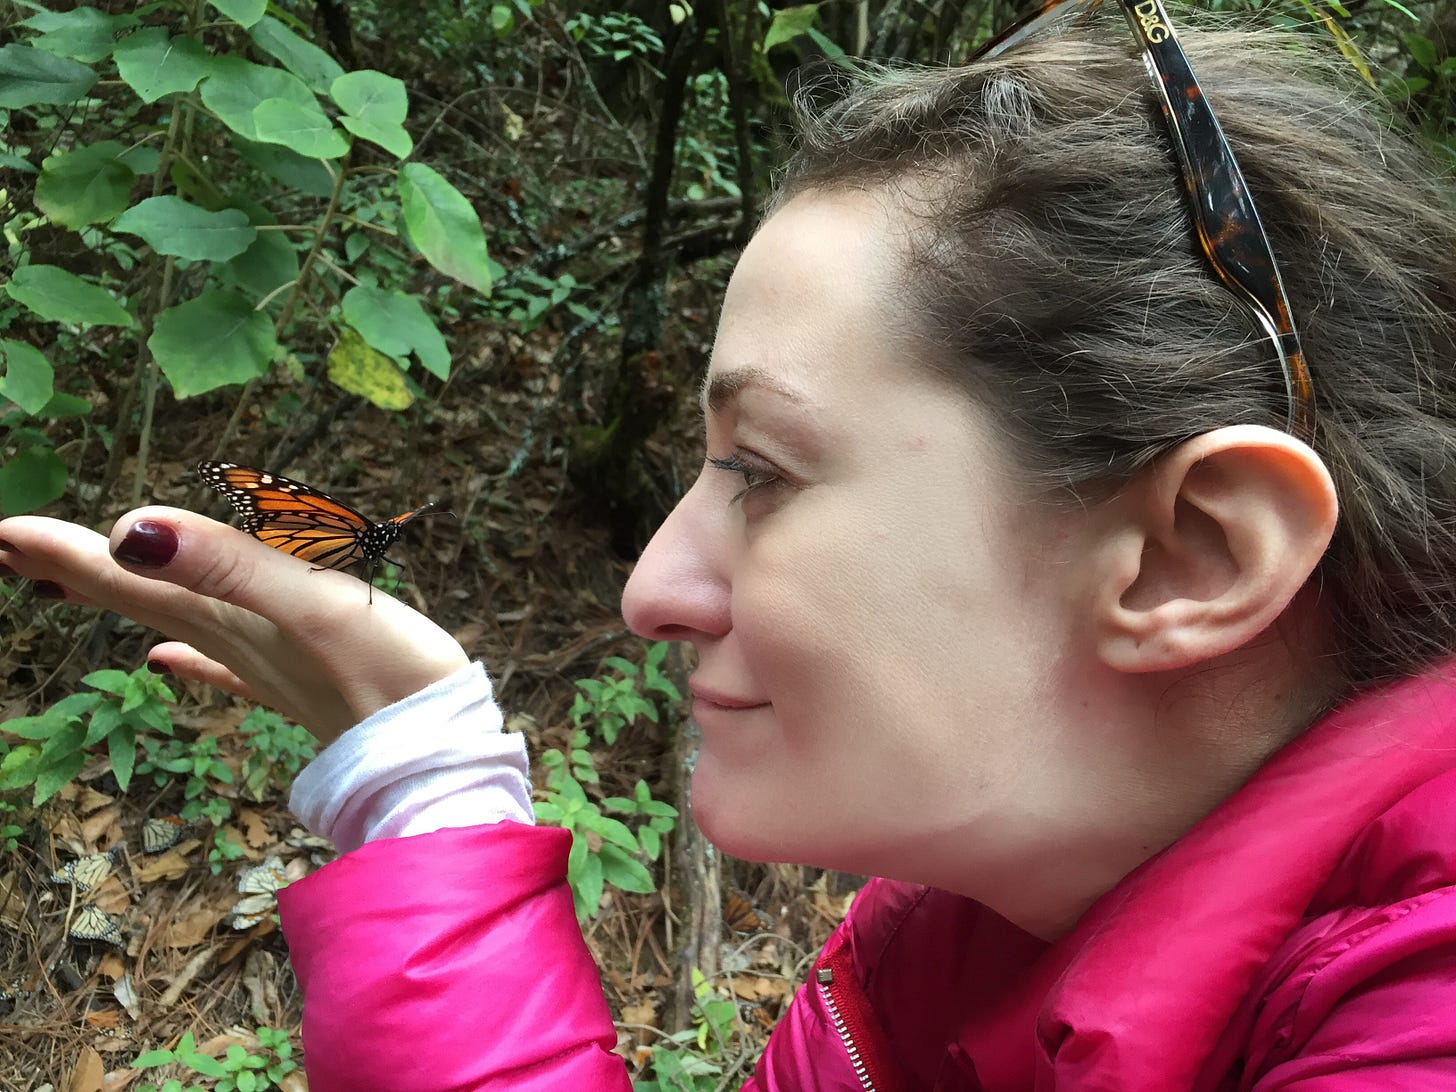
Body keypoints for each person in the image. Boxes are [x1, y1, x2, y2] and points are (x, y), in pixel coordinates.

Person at [4, 0, 1456, 1087]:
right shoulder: (945, 941)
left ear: (1192, 557)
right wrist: (428, 794)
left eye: (761, 471)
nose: (651, 591)